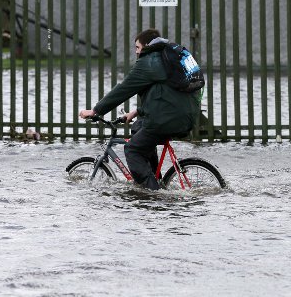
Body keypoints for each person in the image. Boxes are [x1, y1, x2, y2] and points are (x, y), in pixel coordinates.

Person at [79, 29, 201, 190]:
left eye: (137, 47)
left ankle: (151, 191)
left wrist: (95, 111)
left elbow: (124, 89)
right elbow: (164, 95)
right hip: (184, 115)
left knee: (132, 149)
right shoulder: (166, 58)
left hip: (168, 119)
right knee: (138, 127)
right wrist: (136, 112)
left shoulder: (149, 62)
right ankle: (154, 177)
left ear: (146, 46)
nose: (136, 52)